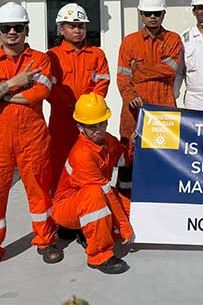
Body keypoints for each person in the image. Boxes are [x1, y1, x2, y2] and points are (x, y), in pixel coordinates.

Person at [0, 2, 63, 276]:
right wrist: (14, 82)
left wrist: (0, 94)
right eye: (6, 28)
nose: (12, 32)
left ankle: (46, 241)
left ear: (26, 30)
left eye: (17, 27)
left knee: (39, 191)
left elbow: (40, 93)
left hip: (32, 137)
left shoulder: (41, 60)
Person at [52, 94, 133, 274]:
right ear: (80, 127)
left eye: (101, 123)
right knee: (95, 194)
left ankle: (83, 231)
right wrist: (124, 227)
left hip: (94, 195)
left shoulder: (107, 140)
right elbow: (104, 191)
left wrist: (135, 143)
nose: (99, 129)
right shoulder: (82, 155)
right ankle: (99, 256)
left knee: (132, 212)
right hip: (68, 207)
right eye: (92, 126)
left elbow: (123, 157)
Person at [116, 0, 182, 188]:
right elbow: (122, 77)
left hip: (164, 109)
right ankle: (125, 208)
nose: (152, 17)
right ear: (141, 14)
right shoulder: (129, 42)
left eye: (156, 13)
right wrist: (131, 96)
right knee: (129, 160)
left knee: (165, 159)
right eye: (147, 13)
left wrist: (139, 70)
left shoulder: (173, 39)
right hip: (134, 112)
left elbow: (170, 69)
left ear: (163, 14)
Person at [47, 3, 110, 192]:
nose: (77, 30)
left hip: (91, 122)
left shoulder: (97, 54)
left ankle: (91, 204)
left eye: (81, 26)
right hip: (62, 121)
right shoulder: (52, 56)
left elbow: (102, 84)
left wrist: (89, 109)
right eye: (72, 26)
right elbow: (51, 89)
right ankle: (62, 209)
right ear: (61, 29)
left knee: (92, 162)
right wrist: (72, 108)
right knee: (60, 163)